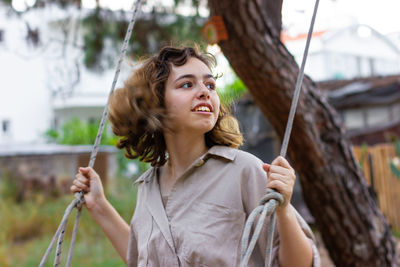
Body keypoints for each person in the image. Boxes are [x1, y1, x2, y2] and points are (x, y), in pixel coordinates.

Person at [71, 46, 320, 267]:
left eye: (210, 85)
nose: (204, 92)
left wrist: (284, 209)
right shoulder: (148, 186)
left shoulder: (245, 170)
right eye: (187, 84)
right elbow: (144, 260)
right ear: (156, 103)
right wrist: (100, 206)